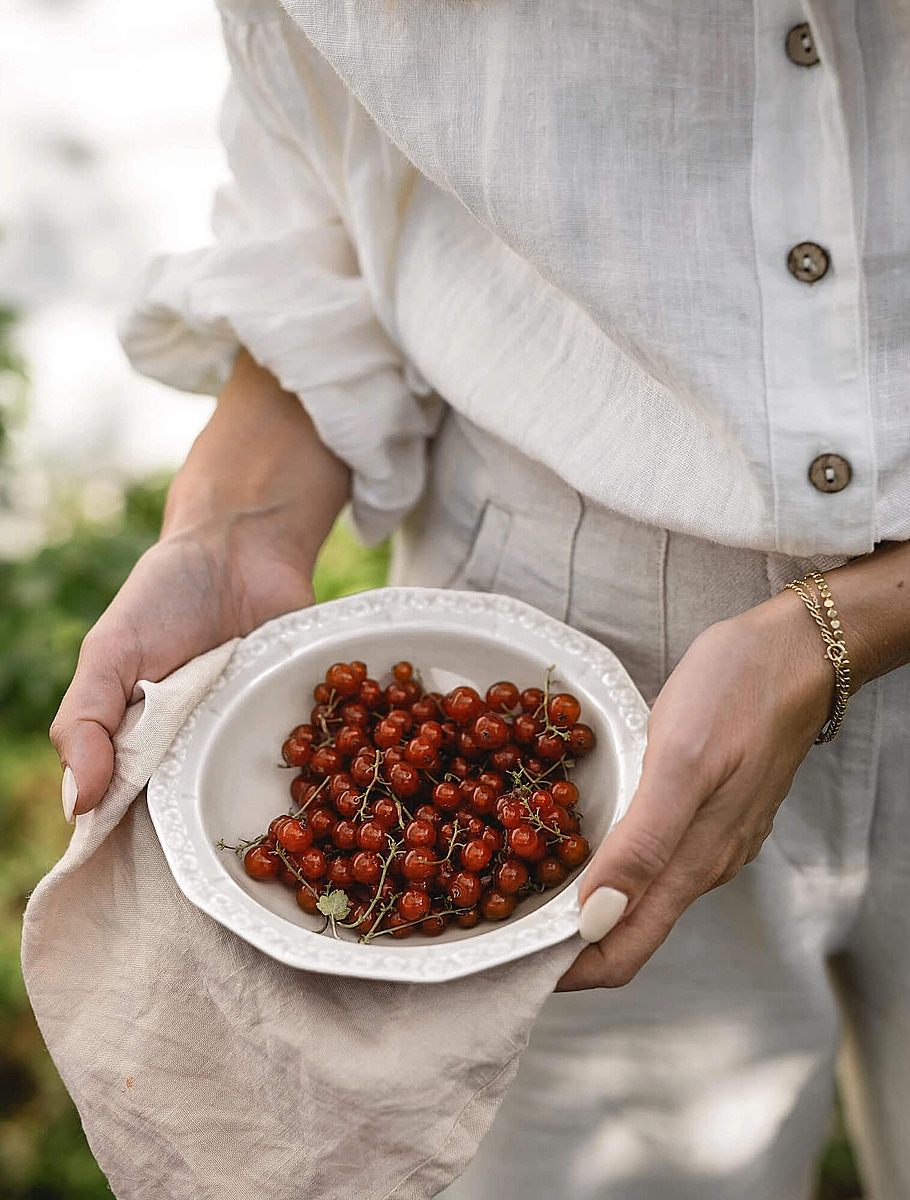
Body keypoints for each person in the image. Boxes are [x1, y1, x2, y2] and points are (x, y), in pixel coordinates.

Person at [50, 1, 910, 1196]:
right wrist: (230, 522)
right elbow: (321, 194)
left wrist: (846, 626)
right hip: (567, 610)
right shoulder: (463, 787)